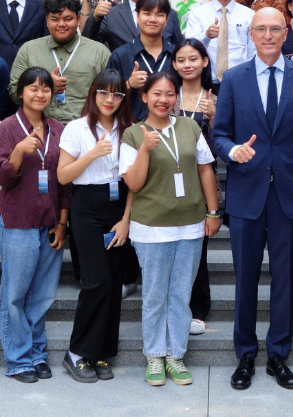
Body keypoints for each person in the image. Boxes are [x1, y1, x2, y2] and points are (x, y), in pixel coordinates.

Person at [212, 7, 293, 391]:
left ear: (286, 35)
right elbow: (219, 135)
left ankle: (278, 354)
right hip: (247, 194)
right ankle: (245, 353)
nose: (266, 35)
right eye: (260, 29)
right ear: (251, 35)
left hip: (290, 196)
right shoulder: (232, 79)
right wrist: (232, 152)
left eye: (274, 29)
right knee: (245, 280)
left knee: (283, 280)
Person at [121, 72, 221, 386]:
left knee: (180, 294)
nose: (163, 100)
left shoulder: (190, 127)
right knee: (154, 295)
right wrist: (145, 150)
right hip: (151, 227)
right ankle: (154, 355)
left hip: (190, 225)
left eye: (169, 94)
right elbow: (133, 184)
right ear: (145, 97)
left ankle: (175, 355)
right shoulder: (133, 134)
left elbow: (205, 169)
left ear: (176, 97)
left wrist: (213, 210)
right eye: (157, 94)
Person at [0, 67, 72, 383]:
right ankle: (18, 359)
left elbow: (66, 182)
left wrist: (62, 222)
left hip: (50, 222)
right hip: (17, 223)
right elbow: (2, 178)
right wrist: (17, 153)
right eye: (33, 88)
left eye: (45, 89)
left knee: (42, 295)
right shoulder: (8, 129)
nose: (39, 94)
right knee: (16, 294)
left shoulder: (58, 129)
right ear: (21, 92)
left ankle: (37, 354)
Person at [57, 70, 135, 383]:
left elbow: (133, 183)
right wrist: (92, 153)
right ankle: (76, 353)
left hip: (118, 206)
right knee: (96, 281)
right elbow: (63, 176)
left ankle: (101, 352)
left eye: (117, 95)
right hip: (86, 206)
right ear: (93, 93)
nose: (109, 100)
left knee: (114, 283)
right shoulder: (76, 128)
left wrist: (126, 219)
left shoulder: (129, 129)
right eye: (103, 93)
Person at [172, 39, 220, 335]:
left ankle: (199, 307)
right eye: (181, 60)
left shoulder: (217, 95)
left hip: (202, 180)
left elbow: (224, 143)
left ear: (204, 61)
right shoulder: (166, 92)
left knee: (196, 248)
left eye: (193, 59)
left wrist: (215, 116)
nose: (187, 65)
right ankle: (173, 305)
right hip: (167, 179)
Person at [8, 0, 111, 124]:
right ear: (47, 21)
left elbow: (110, 93)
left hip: (85, 129)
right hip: (39, 128)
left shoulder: (99, 52)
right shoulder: (29, 50)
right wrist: (45, 85)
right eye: (55, 19)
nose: (61, 24)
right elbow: (14, 92)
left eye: (68, 19)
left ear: (78, 19)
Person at [107, 0, 179, 121]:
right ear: (138, 17)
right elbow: (106, 97)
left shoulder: (177, 55)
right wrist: (128, 84)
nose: (153, 19)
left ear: (167, 20)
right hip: (131, 130)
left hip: (171, 130)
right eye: (147, 13)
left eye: (159, 15)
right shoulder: (120, 55)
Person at [186, 0, 256, 82]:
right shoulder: (197, 14)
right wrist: (206, 36)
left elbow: (253, 53)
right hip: (206, 83)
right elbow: (188, 49)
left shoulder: (249, 15)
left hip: (240, 82)